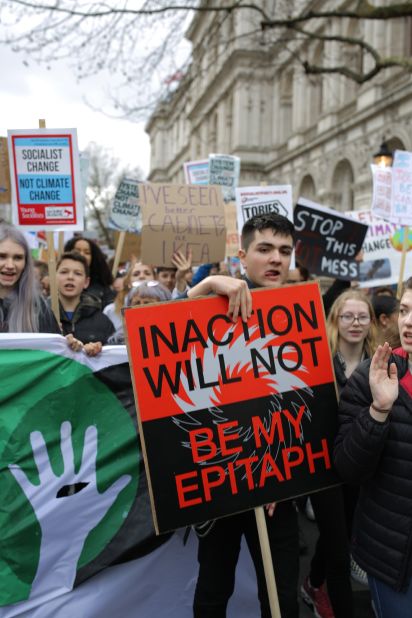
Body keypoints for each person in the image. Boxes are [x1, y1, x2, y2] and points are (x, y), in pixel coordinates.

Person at [186, 213, 299, 618]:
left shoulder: (301, 313)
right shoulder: (214, 303)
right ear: (242, 256)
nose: (276, 259)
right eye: (264, 249)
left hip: (280, 484)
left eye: (284, 251)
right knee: (215, 589)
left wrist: (283, 470)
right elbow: (161, 340)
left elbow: (310, 404)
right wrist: (208, 284)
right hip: (221, 482)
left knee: (281, 596)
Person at [334, 277, 412, 618]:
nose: (408, 321)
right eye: (405, 310)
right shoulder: (374, 375)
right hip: (393, 555)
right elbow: (348, 468)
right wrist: (378, 410)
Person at [300, 290, 377, 617]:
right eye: (348, 316)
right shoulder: (316, 363)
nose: (355, 323)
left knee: (340, 535)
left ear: (371, 322)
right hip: (324, 470)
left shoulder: (380, 363)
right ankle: (334, 603)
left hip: (359, 467)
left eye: (362, 316)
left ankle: (312, 582)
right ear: (335, 320)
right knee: (339, 550)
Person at [0, 222, 60, 334]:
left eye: (17, 258)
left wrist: (69, 345)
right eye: (2, 256)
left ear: (26, 263)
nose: (10, 265)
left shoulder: (40, 309)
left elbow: (51, 350)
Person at [56, 251, 114, 349]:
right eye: (64, 272)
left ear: (86, 282)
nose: (70, 277)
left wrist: (96, 351)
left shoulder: (102, 321)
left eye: (77, 273)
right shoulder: (40, 317)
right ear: (54, 277)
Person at [108, 279, 172, 344]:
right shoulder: (118, 341)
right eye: (137, 303)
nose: (141, 308)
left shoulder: (175, 335)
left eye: (147, 303)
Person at [104, 261, 156, 335]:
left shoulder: (165, 305)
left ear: (155, 279)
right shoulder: (110, 310)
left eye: (147, 273)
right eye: (136, 274)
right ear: (128, 282)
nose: (142, 276)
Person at [64, 236, 115, 308]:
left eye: (87, 252)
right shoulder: (54, 290)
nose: (82, 255)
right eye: (77, 251)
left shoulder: (104, 291)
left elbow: (119, 315)